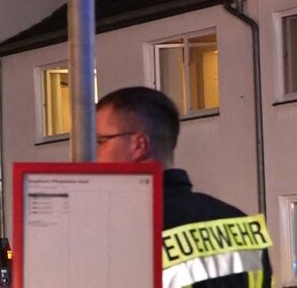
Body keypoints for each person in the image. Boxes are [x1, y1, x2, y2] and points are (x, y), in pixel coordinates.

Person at [95, 87, 272, 288]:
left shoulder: (128, 229)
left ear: (139, 144)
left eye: (100, 141)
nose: (93, 155)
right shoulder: (242, 223)